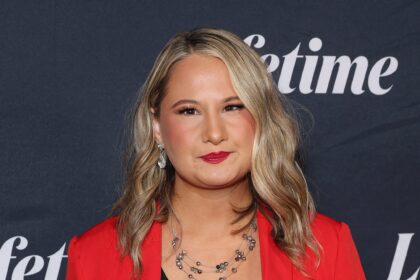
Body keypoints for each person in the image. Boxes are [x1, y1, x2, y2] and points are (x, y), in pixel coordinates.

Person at [66, 27, 366, 280]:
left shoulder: (325, 247)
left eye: (232, 107)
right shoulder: (95, 256)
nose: (213, 133)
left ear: (261, 117)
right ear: (157, 126)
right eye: (189, 111)